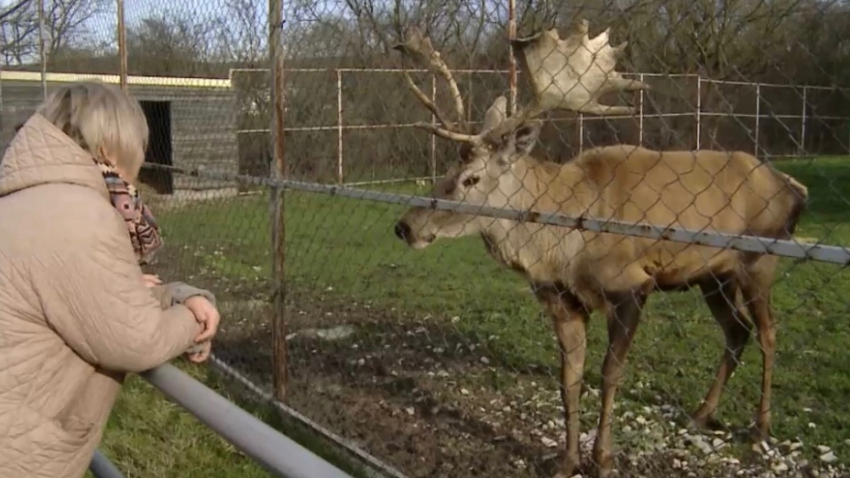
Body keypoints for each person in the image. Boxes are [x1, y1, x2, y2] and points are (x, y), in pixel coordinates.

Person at [0, 81, 221, 478]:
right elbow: (136, 339)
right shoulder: (79, 215)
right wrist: (193, 318)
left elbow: (87, 301)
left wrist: (170, 295)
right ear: (111, 146)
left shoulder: (23, 202)